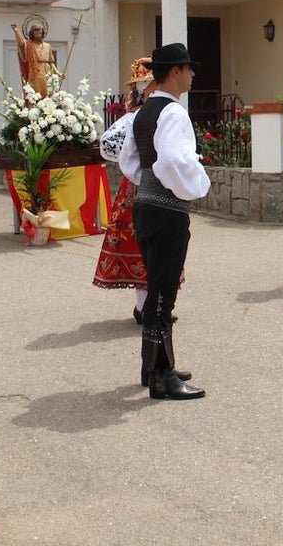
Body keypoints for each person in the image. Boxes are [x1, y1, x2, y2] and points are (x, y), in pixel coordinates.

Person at [118, 43, 210, 400]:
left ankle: (153, 364)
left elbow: (128, 159)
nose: (192, 74)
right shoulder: (173, 112)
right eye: (189, 68)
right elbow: (173, 160)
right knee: (163, 291)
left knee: (157, 284)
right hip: (166, 208)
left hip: (146, 204)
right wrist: (198, 182)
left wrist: (150, 182)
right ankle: (161, 376)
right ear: (175, 72)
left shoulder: (144, 111)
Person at [95, 57, 184, 321]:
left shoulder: (166, 112)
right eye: (144, 85)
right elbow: (109, 145)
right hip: (140, 188)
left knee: (163, 246)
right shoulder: (135, 117)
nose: (147, 88)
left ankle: (155, 306)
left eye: (149, 83)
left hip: (160, 186)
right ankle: (146, 307)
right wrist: (134, 165)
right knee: (140, 245)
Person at [12, 19, 64, 100]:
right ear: (32, 34)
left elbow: (51, 62)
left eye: (40, 33)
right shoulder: (29, 44)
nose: (38, 35)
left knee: (49, 92)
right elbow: (20, 43)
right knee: (36, 94)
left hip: (47, 71)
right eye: (36, 33)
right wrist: (16, 31)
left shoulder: (47, 46)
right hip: (35, 70)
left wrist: (58, 73)